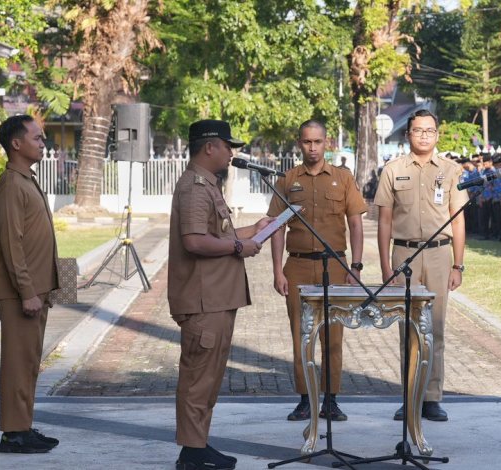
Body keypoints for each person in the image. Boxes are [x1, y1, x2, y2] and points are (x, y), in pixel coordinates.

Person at [170, 119, 274, 470]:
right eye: (228, 146)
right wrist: (237, 246)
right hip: (203, 300)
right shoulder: (195, 188)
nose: (232, 153)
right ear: (209, 147)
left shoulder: (209, 186)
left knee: (208, 378)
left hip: (215, 297)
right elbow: (195, 241)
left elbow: (216, 233)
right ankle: (192, 451)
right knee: (199, 378)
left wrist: (253, 231)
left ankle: (197, 446)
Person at [269, 120, 368, 422]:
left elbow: (355, 223)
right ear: (299, 144)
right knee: (302, 336)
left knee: (333, 337)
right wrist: (277, 271)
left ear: (327, 143)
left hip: (335, 267)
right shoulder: (287, 180)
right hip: (297, 267)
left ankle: (331, 399)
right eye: (306, 142)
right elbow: (276, 227)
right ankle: (304, 400)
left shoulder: (342, 178)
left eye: (318, 142)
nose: (312, 147)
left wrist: (356, 267)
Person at [373, 109, 468, 422]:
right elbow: (385, 220)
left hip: (440, 256)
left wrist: (459, 265)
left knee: (435, 329)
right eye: (418, 130)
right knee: (408, 330)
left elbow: (459, 220)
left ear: (437, 135)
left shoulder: (451, 171)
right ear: (408, 135)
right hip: (404, 256)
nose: (424, 135)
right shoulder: (393, 170)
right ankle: (409, 395)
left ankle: (432, 398)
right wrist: (387, 268)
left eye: (430, 130)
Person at [0, 114, 61, 454]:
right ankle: (13, 434)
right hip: (22, 292)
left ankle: (23, 426)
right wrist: (27, 292)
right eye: (37, 138)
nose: (43, 143)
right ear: (16, 144)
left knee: (30, 360)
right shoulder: (11, 184)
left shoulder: (27, 180)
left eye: (43, 138)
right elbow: (10, 244)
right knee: (19, 363)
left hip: (36, 289)